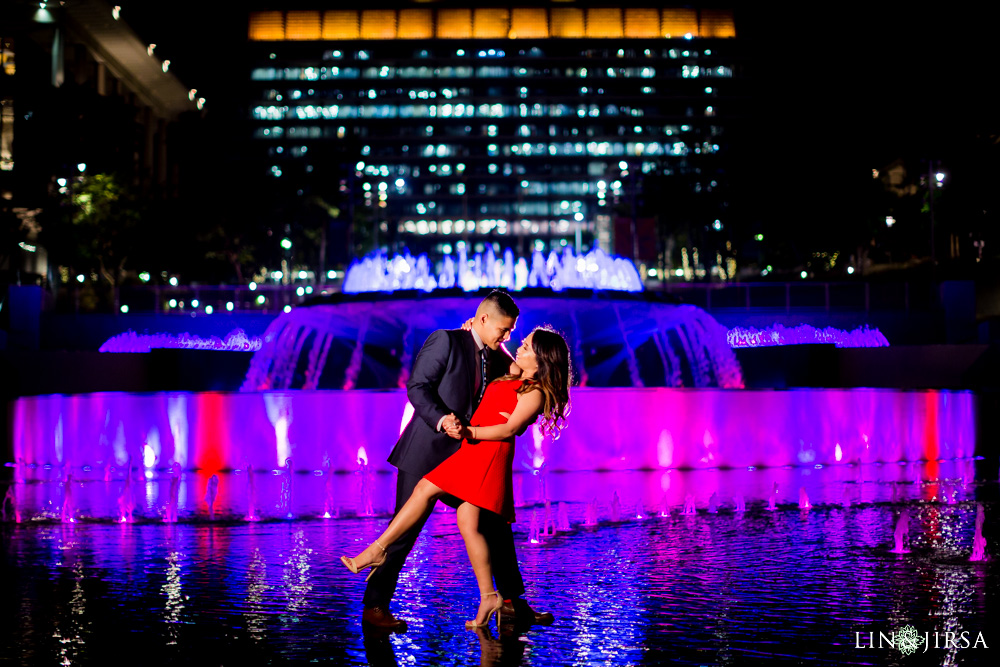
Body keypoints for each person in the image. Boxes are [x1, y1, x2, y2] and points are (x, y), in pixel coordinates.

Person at [342, 324, 571, 628]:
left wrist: (471, 431)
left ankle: (507, 601)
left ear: (542, 361)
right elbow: (424, 384)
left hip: (481, 452)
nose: (511, 341)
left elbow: (511, 426)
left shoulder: (528, 384)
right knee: (457, 521)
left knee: (483, 526)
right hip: (451, 448)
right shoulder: (499, 363)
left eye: (524, 343)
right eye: (507, 333)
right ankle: (381, 596)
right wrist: (476, 331)